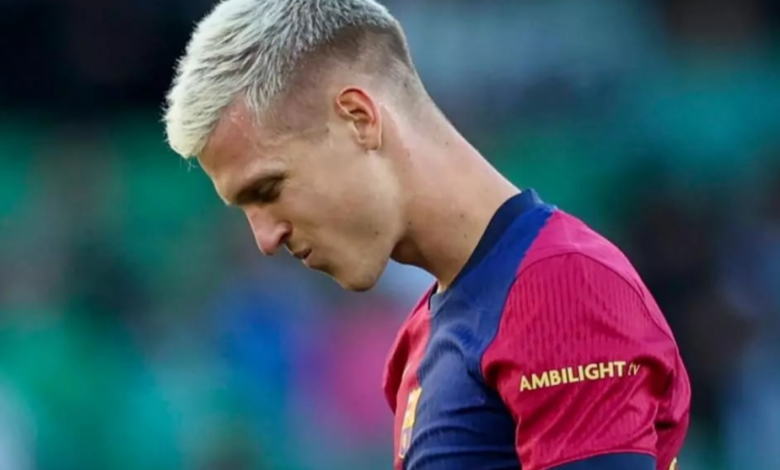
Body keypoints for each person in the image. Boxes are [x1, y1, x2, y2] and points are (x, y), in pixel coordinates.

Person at [163, 1, 691, 469]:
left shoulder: (561, 288)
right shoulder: (423, 336)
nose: (265, 238)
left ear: (359, 118)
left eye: (269, 188)